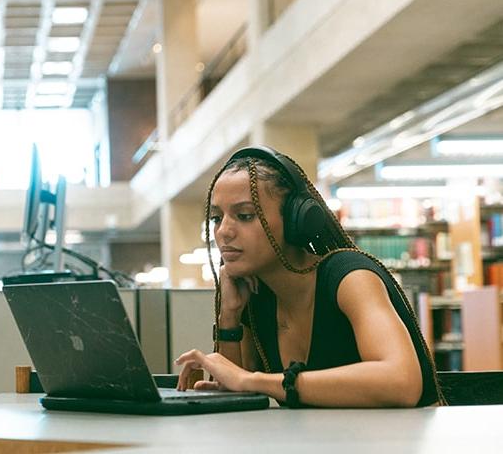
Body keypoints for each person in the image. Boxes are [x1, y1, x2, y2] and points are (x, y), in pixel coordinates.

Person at [174, 146, 442, 407]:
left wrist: (253, 380)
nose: (224, 232)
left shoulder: (349, 277)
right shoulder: (256, 295)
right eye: (216, 218)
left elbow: (401, 382)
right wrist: (229, 317)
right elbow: (237, 396)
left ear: (296, 220)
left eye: (244, 215)